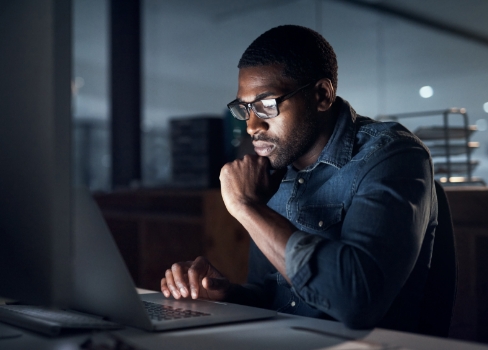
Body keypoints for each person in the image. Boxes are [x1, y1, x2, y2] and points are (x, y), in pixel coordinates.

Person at [160, 25, 437, 332]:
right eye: (245, 109)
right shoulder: (270, 172)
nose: (252, 126)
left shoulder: (392, 155)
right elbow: (273, 294)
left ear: (321, 95)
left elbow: (359, 302)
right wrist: (225, 294)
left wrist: (247, 207)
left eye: (267, 105)